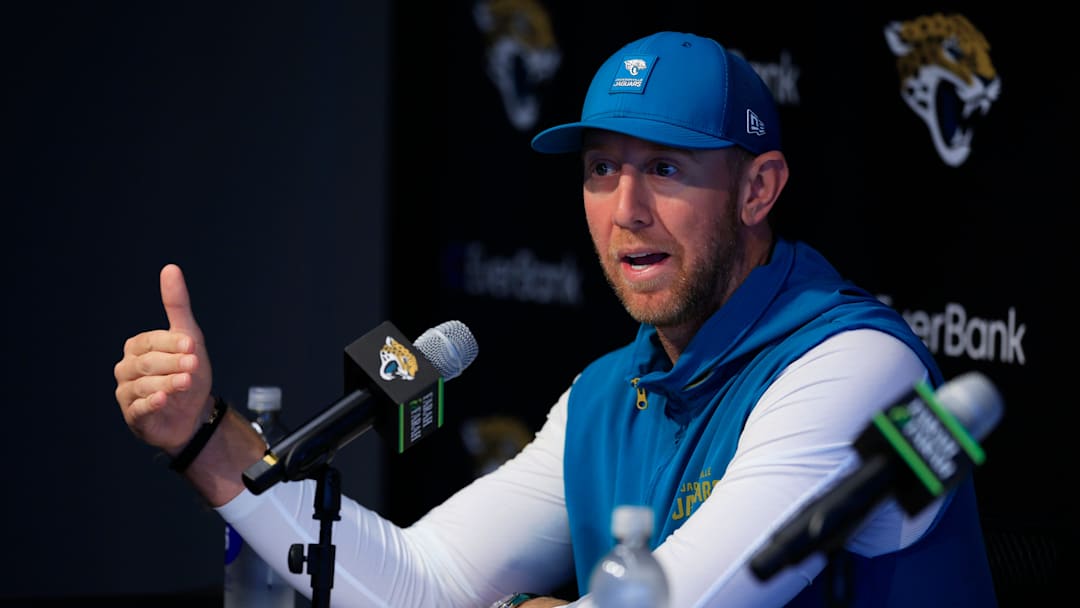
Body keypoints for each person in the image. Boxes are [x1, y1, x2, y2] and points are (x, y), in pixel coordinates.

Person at [114, 31, 997, 607]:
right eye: (602, 170)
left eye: (666, 168)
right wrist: (205, 438)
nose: (626, 210)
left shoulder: (855, 366)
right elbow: (422, 583)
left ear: (758, 190)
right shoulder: (607, 396)